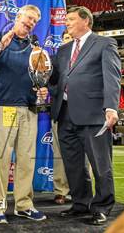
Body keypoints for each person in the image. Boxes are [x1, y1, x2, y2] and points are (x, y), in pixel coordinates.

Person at [0, 4, 47, 224]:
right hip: (4, 106)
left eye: (35, 21)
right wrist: (1, 45)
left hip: (29, 108)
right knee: (1, 159)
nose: (31, 23)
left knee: (26, 160)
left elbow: (42, 76)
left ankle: (24, 205)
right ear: (18, 16)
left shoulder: (36, 48)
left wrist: (42, 89)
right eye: (29, 18)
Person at [49, 6, 121, 225]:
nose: (66, 23)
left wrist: (111, 107)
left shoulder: (104, 43)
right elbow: (56, 82)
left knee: (100, 164)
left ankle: (102, 206)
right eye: (66, 20)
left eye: (70, 19)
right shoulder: (63, 50)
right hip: (65, 114)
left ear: (85, 21)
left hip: (94, 114)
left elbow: (112, 76)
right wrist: (44, 82)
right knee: (73, 165)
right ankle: (80, 204)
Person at [51, 28, 72, 205]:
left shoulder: (86, 55)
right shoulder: (57, 58)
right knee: (59, 154)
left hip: (85, 110)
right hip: (61, 109)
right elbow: (48, 81)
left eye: (71, 37)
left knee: (85, 155)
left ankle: (82, 190)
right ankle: (61, 191)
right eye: (66, 37)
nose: (68, 40)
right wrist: (58, 91)